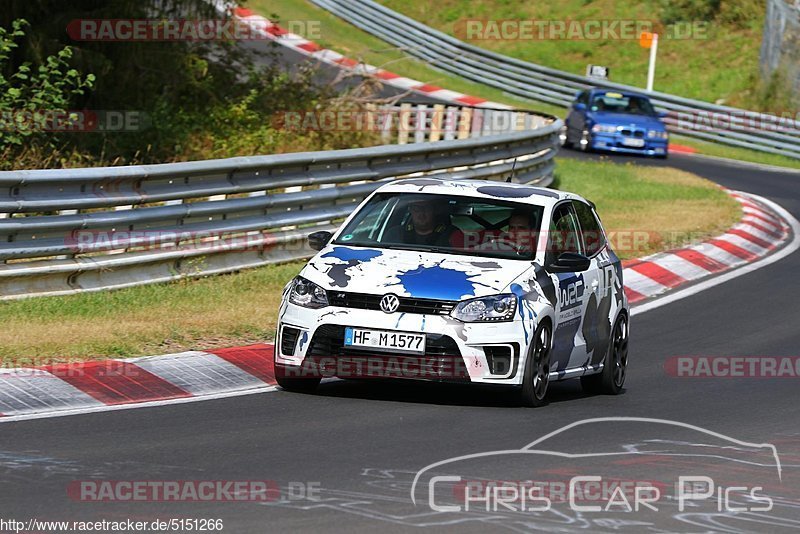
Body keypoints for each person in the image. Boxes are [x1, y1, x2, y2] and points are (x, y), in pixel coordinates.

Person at [385, 198, 463, 247]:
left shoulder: (454, 235)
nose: (421, 213)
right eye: (416, 209)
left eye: (426, 208)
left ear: (434, 211)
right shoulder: (394, 234)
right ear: (410, 210)